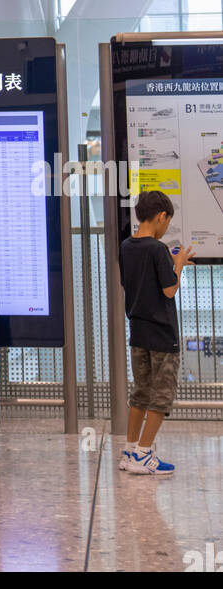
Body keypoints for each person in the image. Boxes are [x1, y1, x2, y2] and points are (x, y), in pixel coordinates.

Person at [119, 190, 192, 476]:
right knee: (161, 396)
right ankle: (144, 453)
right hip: (162, 334)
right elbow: (169, 290)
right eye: (167, 222)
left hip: (138, 331)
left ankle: (130, 449)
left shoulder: (127, 246)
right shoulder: (158, 250)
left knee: (141, 392)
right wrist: (178, 264)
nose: (166, 229)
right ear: (161, 216)